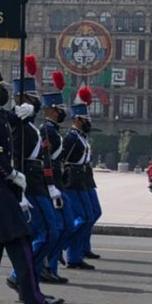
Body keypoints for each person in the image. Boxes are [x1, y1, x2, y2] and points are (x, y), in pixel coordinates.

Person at [0, 67, 63, 304]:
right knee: (20, 241)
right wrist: (12, 174)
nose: (3, 92)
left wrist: (26, 111)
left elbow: (13, 120)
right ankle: (35, 299)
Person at [6, 57, 61, 289]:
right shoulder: (18, 127)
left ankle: (27, 281)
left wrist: (51, 185)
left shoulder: (29, 127)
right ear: (20, 100)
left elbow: (43, 158)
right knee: (46, 233)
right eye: (31, 99)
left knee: (48, 232)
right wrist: (20, 194)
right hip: (29, 185)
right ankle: (20, 276)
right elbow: (16, 160)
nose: (35, 103)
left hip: (38, 184)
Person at [36, 72, 69, 283]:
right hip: (50, 182)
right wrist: (50, 185)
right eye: (59, 109)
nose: (62, 112)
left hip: (58, 180)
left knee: (64, 226)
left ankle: (50, 263)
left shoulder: (54, 131)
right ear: (51, 110)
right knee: (56, 228)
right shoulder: (46, 130)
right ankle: (45, 265)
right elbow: (45, 159)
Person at [55, 87, 93, 271]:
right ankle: (60, 245)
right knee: (83, 217)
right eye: (85, 119)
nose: (87, 122)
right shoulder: (70, 137)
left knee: (88, 216)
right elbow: (62, 159)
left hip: (82, 177)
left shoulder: (81, 137)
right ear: (76, 119)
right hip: (72, 178)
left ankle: (74, 256)